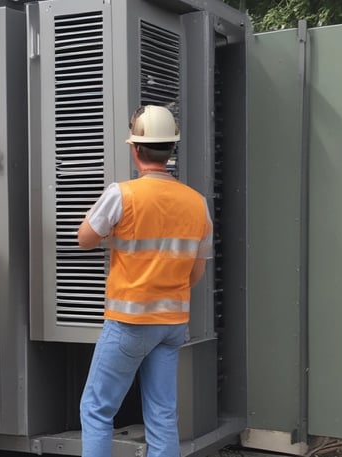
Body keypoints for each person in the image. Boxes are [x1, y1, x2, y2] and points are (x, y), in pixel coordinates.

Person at [77, 105, 213, 457]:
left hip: (130, 322)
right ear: (171, 149)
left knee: (96, 409)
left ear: (135, 149)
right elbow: (196, 272)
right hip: (172, 325)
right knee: (163, 414)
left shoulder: (122, 194)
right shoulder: (197, 203)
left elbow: (85, 238)